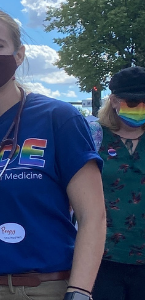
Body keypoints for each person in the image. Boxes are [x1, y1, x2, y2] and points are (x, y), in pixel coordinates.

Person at [0, 7, 105, 300]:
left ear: (19, 55)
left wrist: (80, 291)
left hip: (43, 289)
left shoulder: (59, 118)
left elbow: (93, 215)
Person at [90, 66, 145, 300]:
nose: (140, 108)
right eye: (132, 102)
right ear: (114, 101)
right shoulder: (93, 136)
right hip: (103, 259)